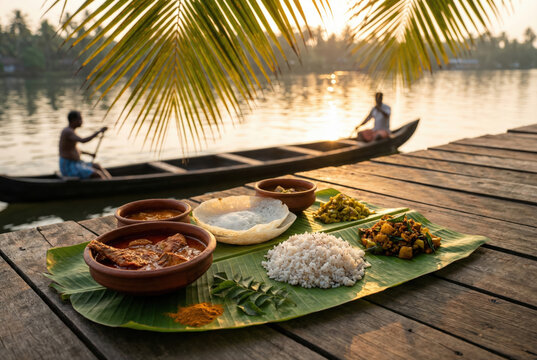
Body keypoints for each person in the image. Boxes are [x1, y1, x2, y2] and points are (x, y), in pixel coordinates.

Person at [59, 110, 111, 179]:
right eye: (80, 119)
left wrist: (89, 154)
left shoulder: (71, 131)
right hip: (69, 166)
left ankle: (112, 181)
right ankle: (110, 185)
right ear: (73, 120)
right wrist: (98, 132)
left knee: (97, 166)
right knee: (97, 174)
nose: (82, 121)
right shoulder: (68, 131)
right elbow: (83, 140)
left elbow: (72, 149)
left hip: (76, 163)